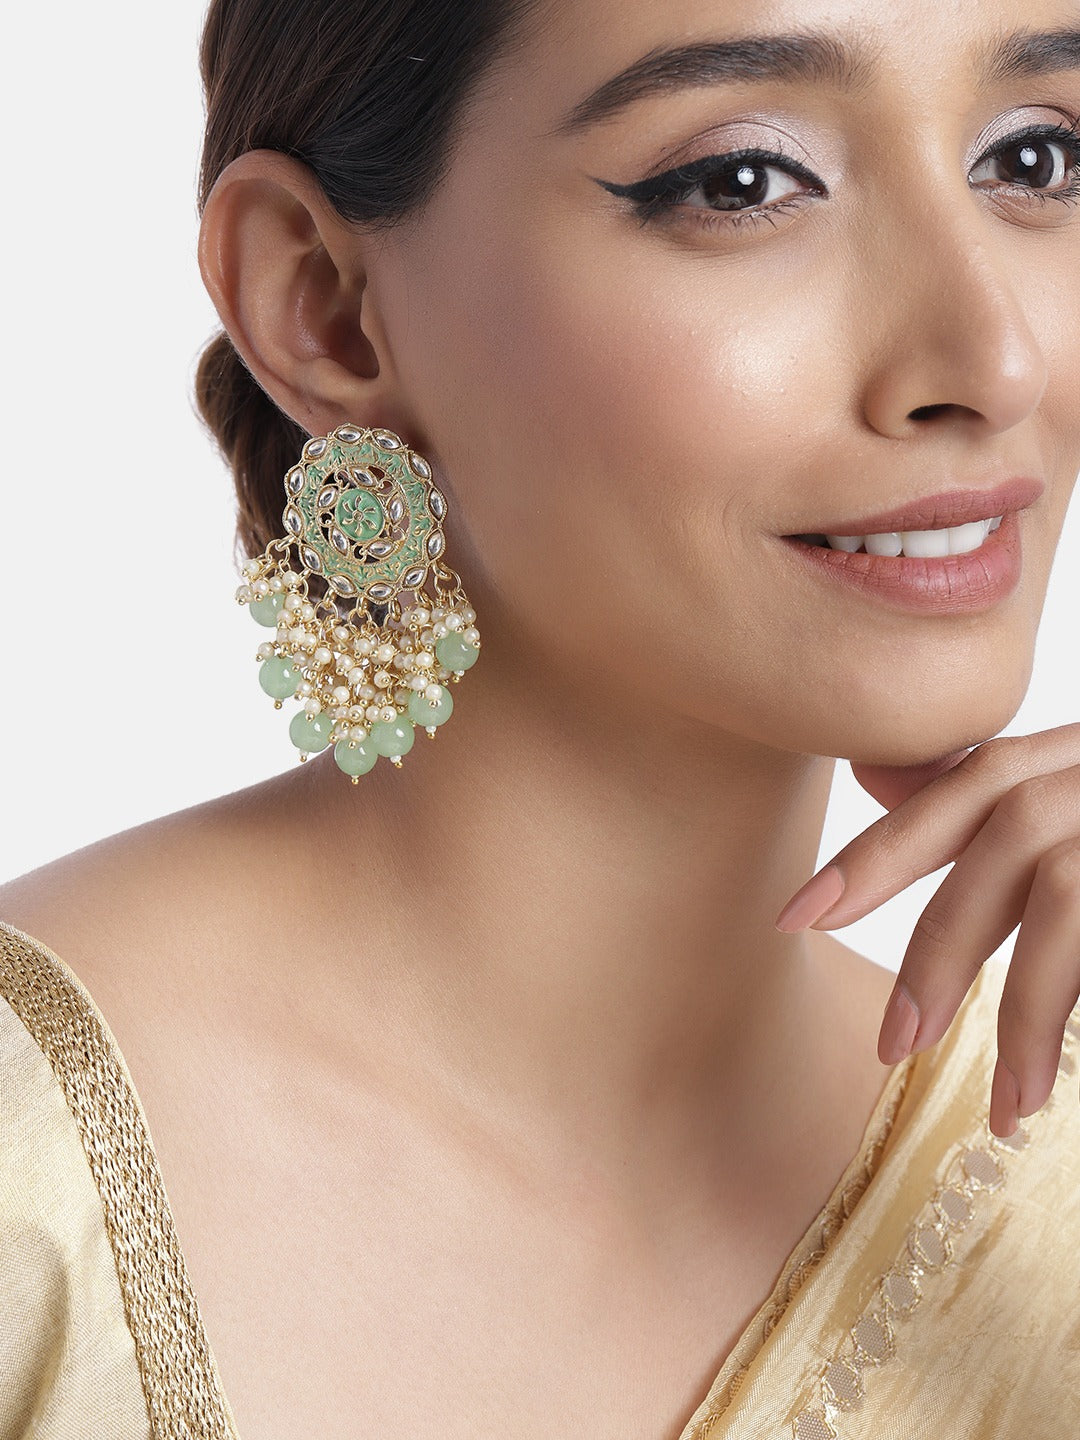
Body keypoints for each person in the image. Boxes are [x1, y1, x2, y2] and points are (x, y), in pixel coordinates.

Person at [2, 0, 1080, 1435]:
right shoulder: (34, 1195)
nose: (994, 362)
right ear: (324, 307)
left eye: (1033, 160)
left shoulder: (1048, 1172)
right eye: (743, 181)